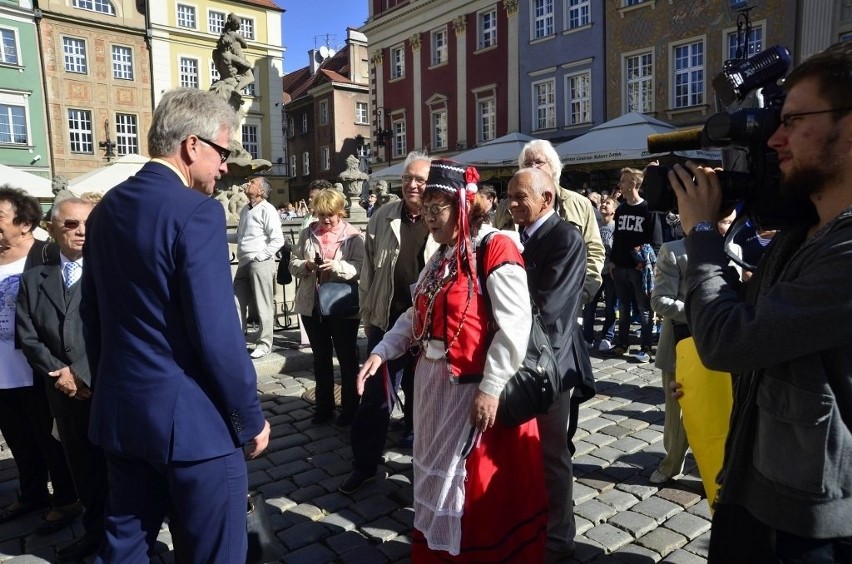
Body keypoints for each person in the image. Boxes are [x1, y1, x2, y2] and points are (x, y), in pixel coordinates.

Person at [668, 41, 852, 563]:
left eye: (793, 120)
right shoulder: (805, 230)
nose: (775, 138)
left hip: (809, 530)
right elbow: (757, 333)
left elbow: (730, 339)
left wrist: (702, 230)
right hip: (753, 489)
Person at [81, 88, 270, 562]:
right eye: (223, 152)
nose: (225, 167)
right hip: (194, 431)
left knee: (125, 548)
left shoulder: (104, 210)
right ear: (192, 145)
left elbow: (92, 316)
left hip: (122, 419)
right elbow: (218, 335)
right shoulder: (196, 211)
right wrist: (249, 418)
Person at [357, 159, 547, 560]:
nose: (428, 219)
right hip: (433, 387)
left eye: (436, 210)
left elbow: (516, 325)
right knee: (431, 478)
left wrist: (491, 388)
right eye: (425, 210)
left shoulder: (495, 246)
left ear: (463, 204)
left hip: (471, 391)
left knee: (468, 492)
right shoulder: (442, 255)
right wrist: (381, 351)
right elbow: (416, 314)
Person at [507, 167, 593, 561]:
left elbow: (551, 308)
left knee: (552, 454)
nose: (512, 204)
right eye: (509, 196)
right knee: (521, 451)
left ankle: (560, 538)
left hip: (549, 366)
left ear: (547, 199)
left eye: (521, 197)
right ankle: (527, 519)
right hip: (516, 359)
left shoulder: (565, 237)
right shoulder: (514, 237)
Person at [339, 152, 436, 494]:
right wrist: (368, 314)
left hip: (429, 329)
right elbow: (367, 270)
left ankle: (422, 462)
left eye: (420, 179)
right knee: (376, 399)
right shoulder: (383, 216)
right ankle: (364, 464)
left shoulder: (442, 217)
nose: (412, 184)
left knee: (422, 397)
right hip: (387, 321)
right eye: (408, 177)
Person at [16, 197, 107, 560]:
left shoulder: (110, 275)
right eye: (71, 224)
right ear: (51, 228)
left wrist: (83, 373)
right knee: (82, 469)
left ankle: (125, 540)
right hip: (63, 394)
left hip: (103, 390)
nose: (81, 231)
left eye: (87, 224)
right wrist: (63, 376)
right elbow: (27, 335)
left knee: (116, 470)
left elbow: (115, 330)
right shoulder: (34, 279)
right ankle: (95, 533)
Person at [0, 187, 79, 535]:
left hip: (38, 368)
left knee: (51, 439)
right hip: (2, 371)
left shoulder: (47, 254)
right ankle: (31, 493)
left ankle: (66, 499)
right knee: (18, 439)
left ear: (25, 223)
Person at [290, 188, 365, 427]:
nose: (325, 220)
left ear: (340, 212)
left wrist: (338, 266)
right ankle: (324, 407)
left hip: (342, 306)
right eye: (321, 214)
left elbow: (361, 269)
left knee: (346, 358)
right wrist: (308, 265)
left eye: (330, 215)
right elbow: (293, 264)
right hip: (312, 305)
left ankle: (351, 409)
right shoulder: (308, 233)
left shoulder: (353, 236)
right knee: (320, 357)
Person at [518, 139, 604, 304]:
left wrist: (584, 292)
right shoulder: (508, 206)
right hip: (519, 299)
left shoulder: (579, 203)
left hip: (567, 299)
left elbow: (594, 249)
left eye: (539, 162)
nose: (533, 167)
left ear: (552, 166)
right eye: (527, 163)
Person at [648, 234, 690, 485]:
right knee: (677, 412)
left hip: (722, 345)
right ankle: (672, 463)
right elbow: (659, 301)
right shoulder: (674, 250)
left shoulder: (733, 247)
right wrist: (704, 311)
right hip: (681, 343)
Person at [610, 166, 662, 363]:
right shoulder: (621, 209)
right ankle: (622, 343)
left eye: (623, 181)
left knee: (645, 309)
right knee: (623, 308)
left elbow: (656, 241)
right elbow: (617, 237)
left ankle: (646, 347)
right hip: (621, 267)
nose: (620, 185)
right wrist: (613, 261)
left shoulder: (647, 209)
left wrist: (648, 264)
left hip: (640, 268)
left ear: (633, 183)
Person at [229, 175, 285, 359]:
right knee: (236, 302)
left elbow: (278, 239)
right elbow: (242, 236)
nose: (248, 183)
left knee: (263, 304)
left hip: (259, 262)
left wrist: (261, 256)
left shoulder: (267, 210)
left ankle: (264, 343)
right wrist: (220, 236)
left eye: (253, 182)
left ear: (261, 191)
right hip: (244, 262)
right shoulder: (246, 209)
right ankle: (237, 341)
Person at [583, 195, 617, 351]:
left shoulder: (616, 228)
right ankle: (587, 337)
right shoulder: (594, 226)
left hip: (610, 274)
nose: (604, 205)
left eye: (608, 203)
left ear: (614, 210)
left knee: (610, 307)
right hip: (594, 272)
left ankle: (607, 337)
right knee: (590, 306)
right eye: (603, 202)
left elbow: (618, 248)